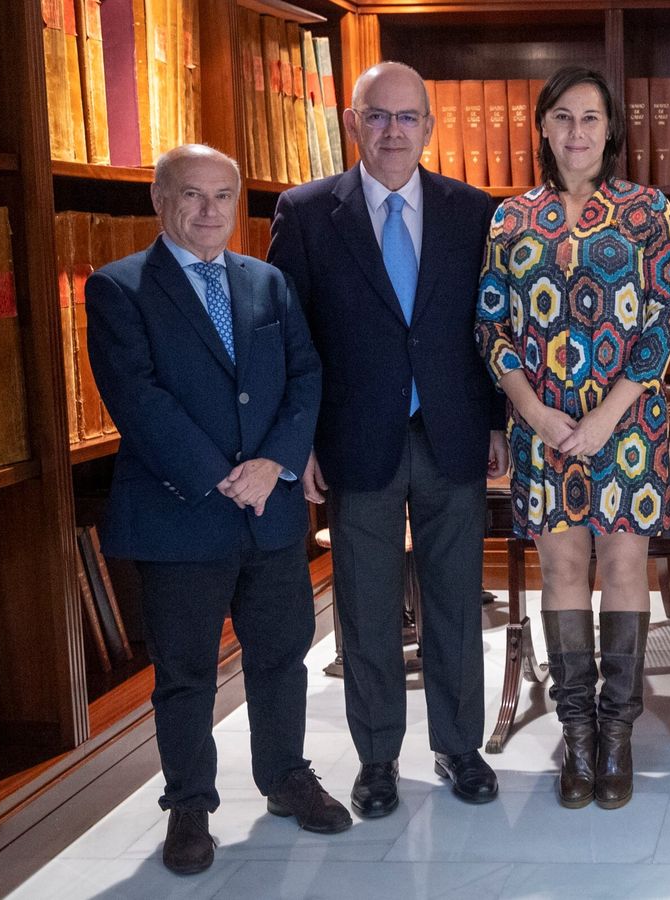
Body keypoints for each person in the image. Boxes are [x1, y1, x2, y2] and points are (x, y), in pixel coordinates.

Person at [86, 144, 348, 875]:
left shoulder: (267, 283)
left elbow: (305, 374)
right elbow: (138, 398)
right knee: (185, 672)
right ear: (160, 202)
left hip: (269, 511)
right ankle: (190, 807)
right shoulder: (119, 288)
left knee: (281, 655)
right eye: (192, 196)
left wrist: (276, 464)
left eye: (223, 196)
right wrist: (223, 476)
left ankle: (286, 777)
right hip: (181, 515)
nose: (209, 211)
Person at [268, 61, 505, 817]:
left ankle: (458, 746)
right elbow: (288, 338)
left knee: (455, 599)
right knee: (366, 604)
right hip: (352, 438)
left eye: (407, 118)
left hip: (454, 431)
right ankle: (376, 759)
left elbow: (491, 328)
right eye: (378, 116)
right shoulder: (305, 213)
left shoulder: (474, 211)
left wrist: (497, 420)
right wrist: (296, 442)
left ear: (430, 128)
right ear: (352, 123)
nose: (393, 131)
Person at [476, 66, 670, 811]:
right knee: (563, 570)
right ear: (542, 127)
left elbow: (664, 325)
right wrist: (533, 413)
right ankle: (576, 732)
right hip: (544, 428)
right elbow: (492, 326)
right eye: (562, 117)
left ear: (611, 130)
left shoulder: (647, 211)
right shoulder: (511, 218)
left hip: (626, 426)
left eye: (590, 118)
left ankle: (618, 734)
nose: (576, 132)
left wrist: (606, 417)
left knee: (623, 567)